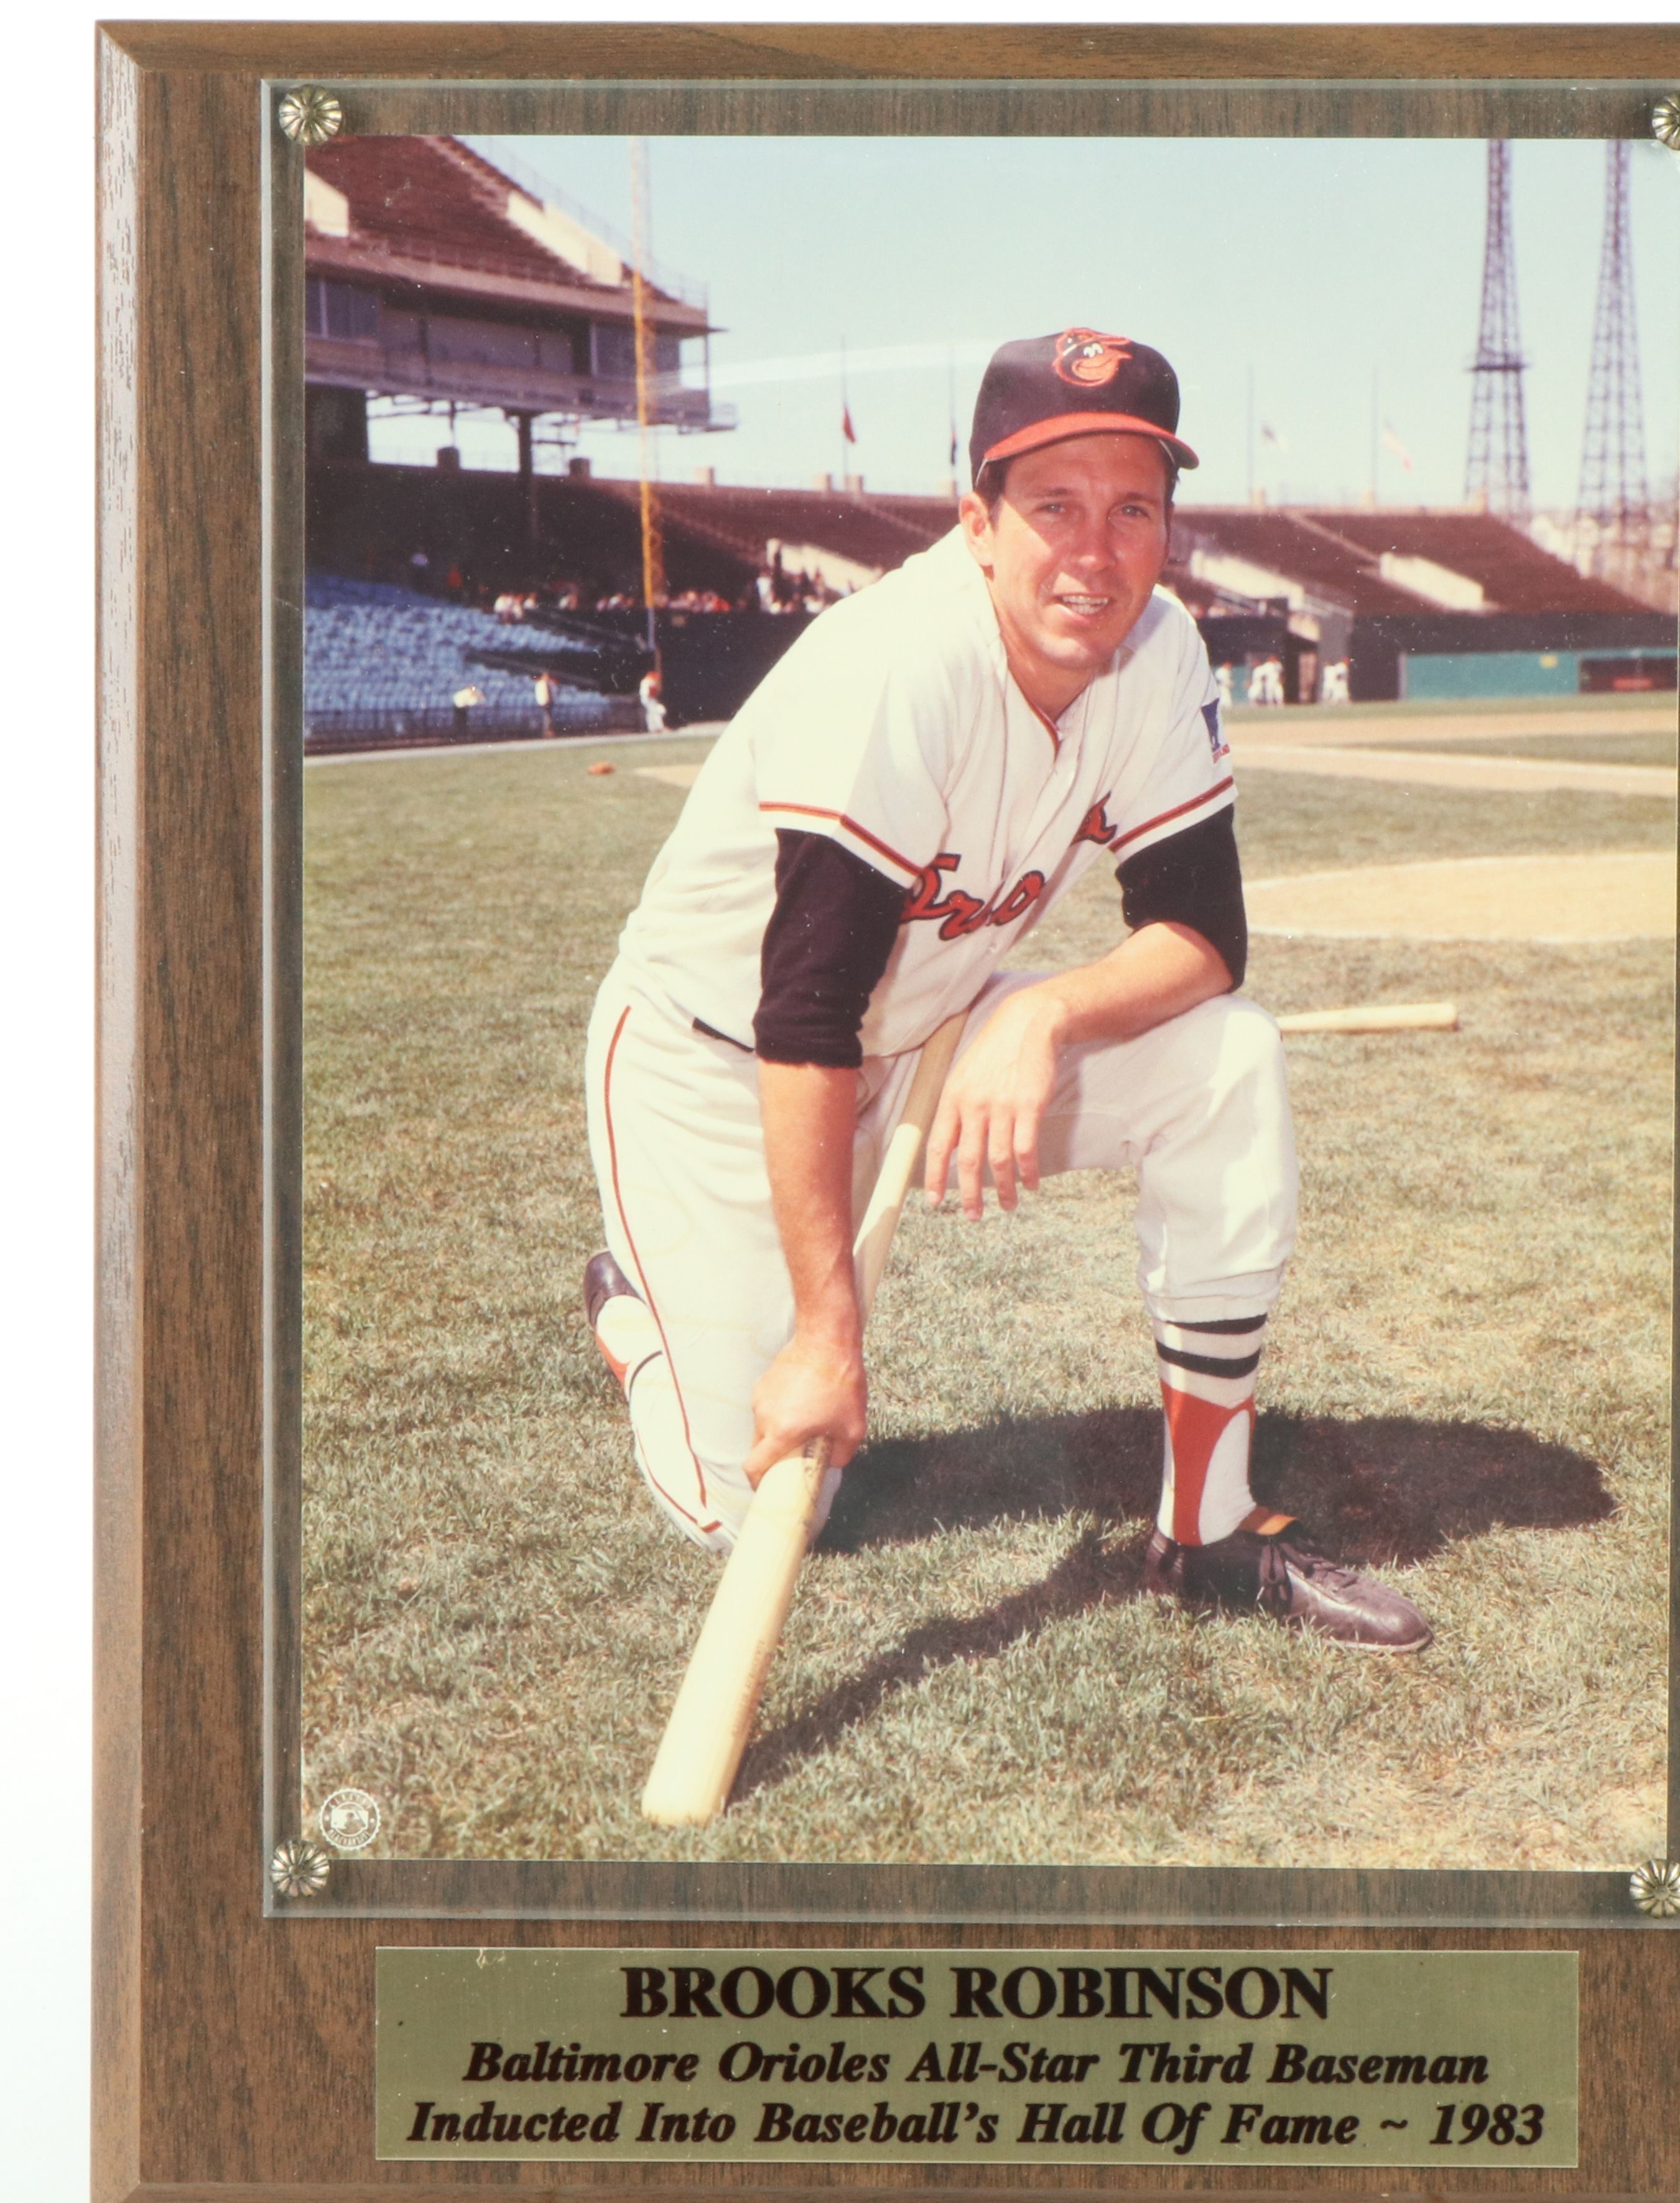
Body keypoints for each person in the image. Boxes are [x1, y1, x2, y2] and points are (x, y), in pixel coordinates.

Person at [578, 329, 1427, 1650]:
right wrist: (825, 1330)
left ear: (1165, 526)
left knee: (1227, 1058)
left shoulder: (1154, 654)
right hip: (716, 1067)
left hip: (927, 1031)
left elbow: (1203, 934)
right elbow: (799, 1013)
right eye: (1051, 507)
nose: (1093, 552)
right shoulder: (894, 668)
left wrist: (1038, 1010)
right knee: (767, 1509)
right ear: (975, 521)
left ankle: (1204, 1528)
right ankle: (637, 1327)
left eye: (1130, 508)